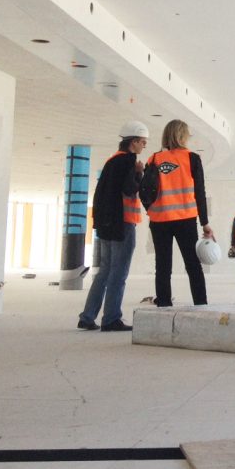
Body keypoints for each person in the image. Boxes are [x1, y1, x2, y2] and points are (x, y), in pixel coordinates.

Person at [77, 121, 149, 331]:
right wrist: (139, 173)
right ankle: (111, 319)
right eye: (143, 142)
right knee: (119, 272)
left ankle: (88, 316)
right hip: (122, 223)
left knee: (104, 271)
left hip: (106, 225)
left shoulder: (111, 161)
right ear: (133, 142)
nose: (144, 146)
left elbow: (102, 194)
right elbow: (129, 190)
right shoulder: (129, 161)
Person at [146, 119, 214, 307]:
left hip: (159, 219)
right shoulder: (192, 158)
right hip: (185, 219)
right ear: (183, 136)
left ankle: (164, 306)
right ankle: (201, 305)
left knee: (162, 266)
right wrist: (205, 222)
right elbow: (200, 192)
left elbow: (145, 190)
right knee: (193, 265)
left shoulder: (154, 159)